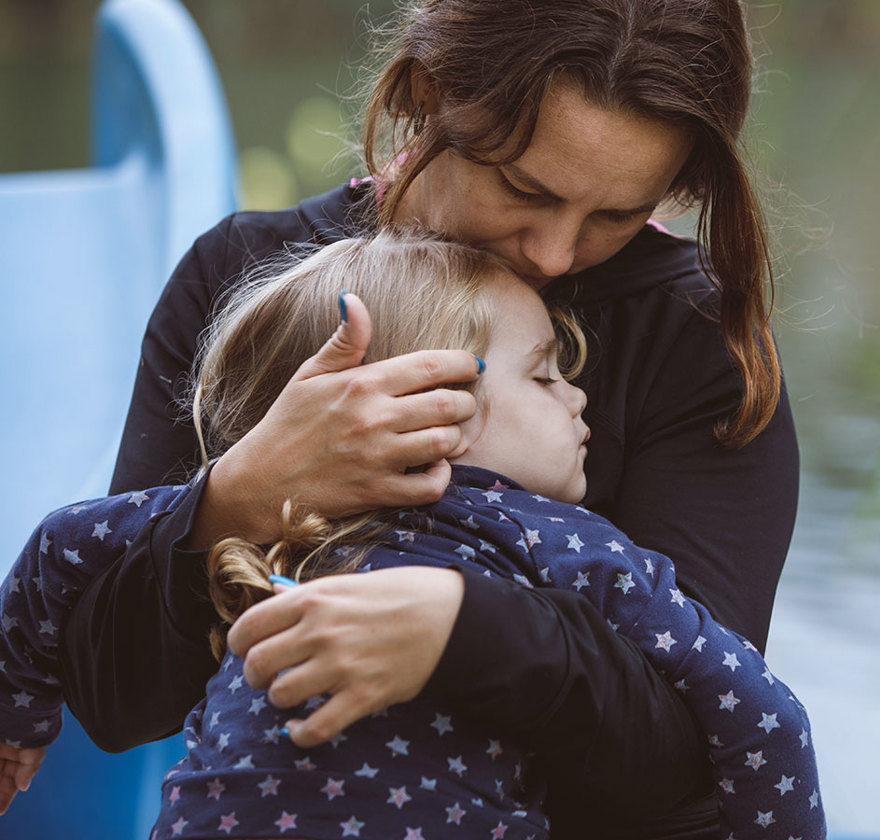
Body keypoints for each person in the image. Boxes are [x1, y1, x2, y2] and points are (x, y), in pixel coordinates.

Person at [57, 1, 800, 835]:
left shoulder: (698, 348)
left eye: (616, 215)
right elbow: (111, 701)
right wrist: (240, 495)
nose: (554, 253)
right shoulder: (248, 277)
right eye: (523, 188)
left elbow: (699, 756)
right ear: (425, 91)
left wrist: (465, 630)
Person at [0, 232, 823, 839]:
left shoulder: (294, 531)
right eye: (545, 376)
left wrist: (19, 713)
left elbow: (57, 550)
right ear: (433, 408)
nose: (578, 401)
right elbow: (759, 716)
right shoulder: (560, 539)